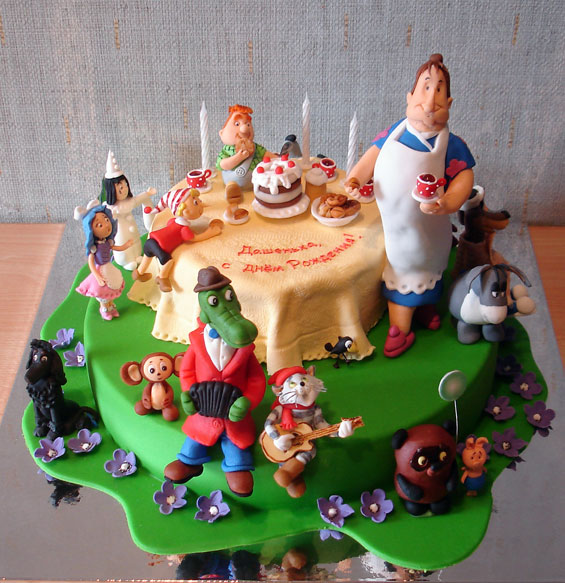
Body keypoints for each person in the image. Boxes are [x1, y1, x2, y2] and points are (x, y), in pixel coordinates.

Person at [345, 54, 475, 357]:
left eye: (438, 91)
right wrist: (355, 179)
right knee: (403, 267)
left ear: (449, 102)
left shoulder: (450, 144)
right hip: (393, 227)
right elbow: (371, 156)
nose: (430, 102)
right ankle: (406, 322)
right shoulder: (394, 132)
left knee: (427, 264)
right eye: (425, 88)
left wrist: (447, 202)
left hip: (429, 225)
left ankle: (415, 317)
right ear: (410, 96)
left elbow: (464, 177)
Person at [164, 267, 266, 497]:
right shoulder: (197, 343)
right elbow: (187, 371)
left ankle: (237, 467)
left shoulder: (244, 348)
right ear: (204, 311)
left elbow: (256, 378)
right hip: (204, 413)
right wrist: (190, 393)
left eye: (229, 297)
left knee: (237, 442)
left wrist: (247, 401)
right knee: (195, 439)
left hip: (234, 416)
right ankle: (190, 461)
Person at [74, 201, 132, 320]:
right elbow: (91, 263)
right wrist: (97, 276)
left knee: (111, 291)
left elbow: (116, 248)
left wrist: (126, 245)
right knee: (103, 295)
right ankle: (104, 309)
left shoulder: (107, 243)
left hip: (109, 269)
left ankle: (111, 308)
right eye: (99, 225)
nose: (106, 225)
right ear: (91, 231)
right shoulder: (94, 248)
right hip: (101, 272)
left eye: (106, 220)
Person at [102, 150, 156, 270]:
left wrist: (147, 193)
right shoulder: (110, 208)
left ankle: (136, 256)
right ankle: (126, 261)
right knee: (124, 245)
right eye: (120, 188)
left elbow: (137, 200)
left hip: (133, 231)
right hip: (121, 234)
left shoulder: (128, 201)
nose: (125, 190)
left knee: (135, 242)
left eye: (125, 186)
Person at [216, 104, 277, 188]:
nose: (244, 128)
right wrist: (238, 157)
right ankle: (232, 191)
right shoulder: (227, 150)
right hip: (232, 181)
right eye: (237, 124)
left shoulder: (255, 147)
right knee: (232, 187)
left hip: (257, 184)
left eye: (248, 124)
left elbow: (266, 154)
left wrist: (279, 159)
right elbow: (223, 164)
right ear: (222, 133)